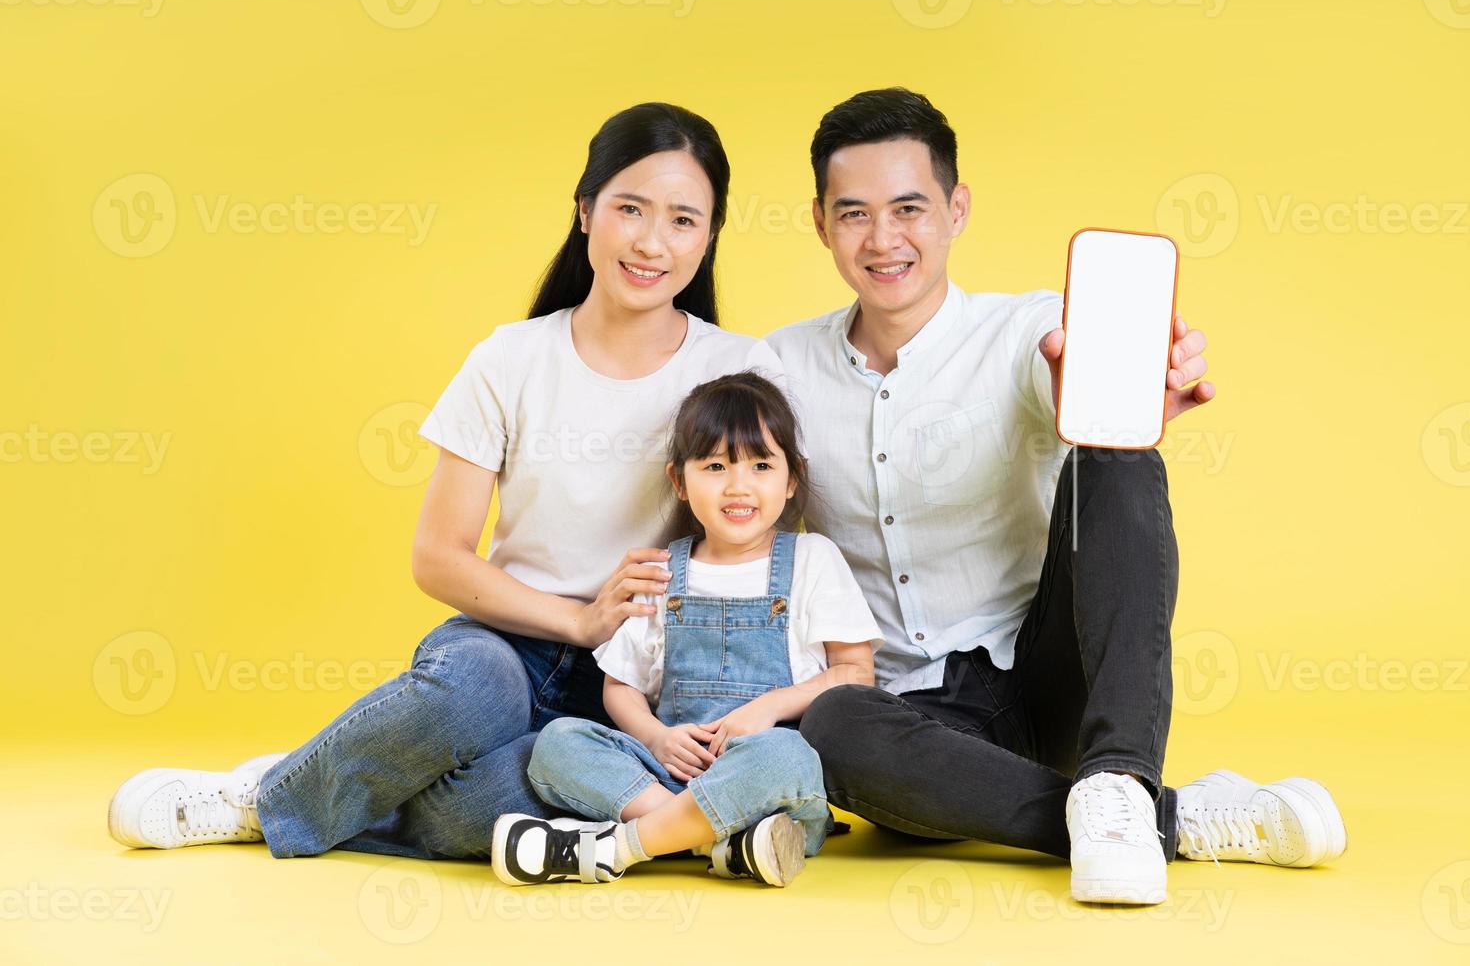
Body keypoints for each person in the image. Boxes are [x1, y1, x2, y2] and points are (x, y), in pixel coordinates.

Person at [105, 102, 788, 862]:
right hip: (509, 644)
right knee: (475, 688)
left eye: (684, 220)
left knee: (485, 805)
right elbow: (439, 555)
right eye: (631, 208)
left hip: (642, 685)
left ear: (711, 234)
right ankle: (264, 799)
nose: (652, 242)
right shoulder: (510, 359)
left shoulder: (740, 370)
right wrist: (577, 622)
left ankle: (304, 783)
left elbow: (771, 542)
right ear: (586, 209)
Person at [767, 88, 1347, 905]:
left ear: (956, 209)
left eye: (909, 208)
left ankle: (1116, 774)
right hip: (920, 731)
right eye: (855, 214)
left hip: (1048, 672)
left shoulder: (1024, 328)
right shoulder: (779, 368)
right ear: (821, 223)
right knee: (830, 726)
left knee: (1115, 450)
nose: (884, 239)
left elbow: (1060, 367)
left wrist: (1115, 393)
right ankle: (1162, 817)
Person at [492, 372, 881, 888]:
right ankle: (713, 839)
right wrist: (656, 738)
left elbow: (856, 673)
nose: (738, 486)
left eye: (761, 465)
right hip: (670, 774)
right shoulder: (662, 572)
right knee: (559, 740)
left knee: (787, 756)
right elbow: (621, 687)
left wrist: (767, 709)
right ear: (680, 481)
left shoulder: (813, 559)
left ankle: (624, 846)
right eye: (715, 466)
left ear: (791, 479)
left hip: (763, 776)